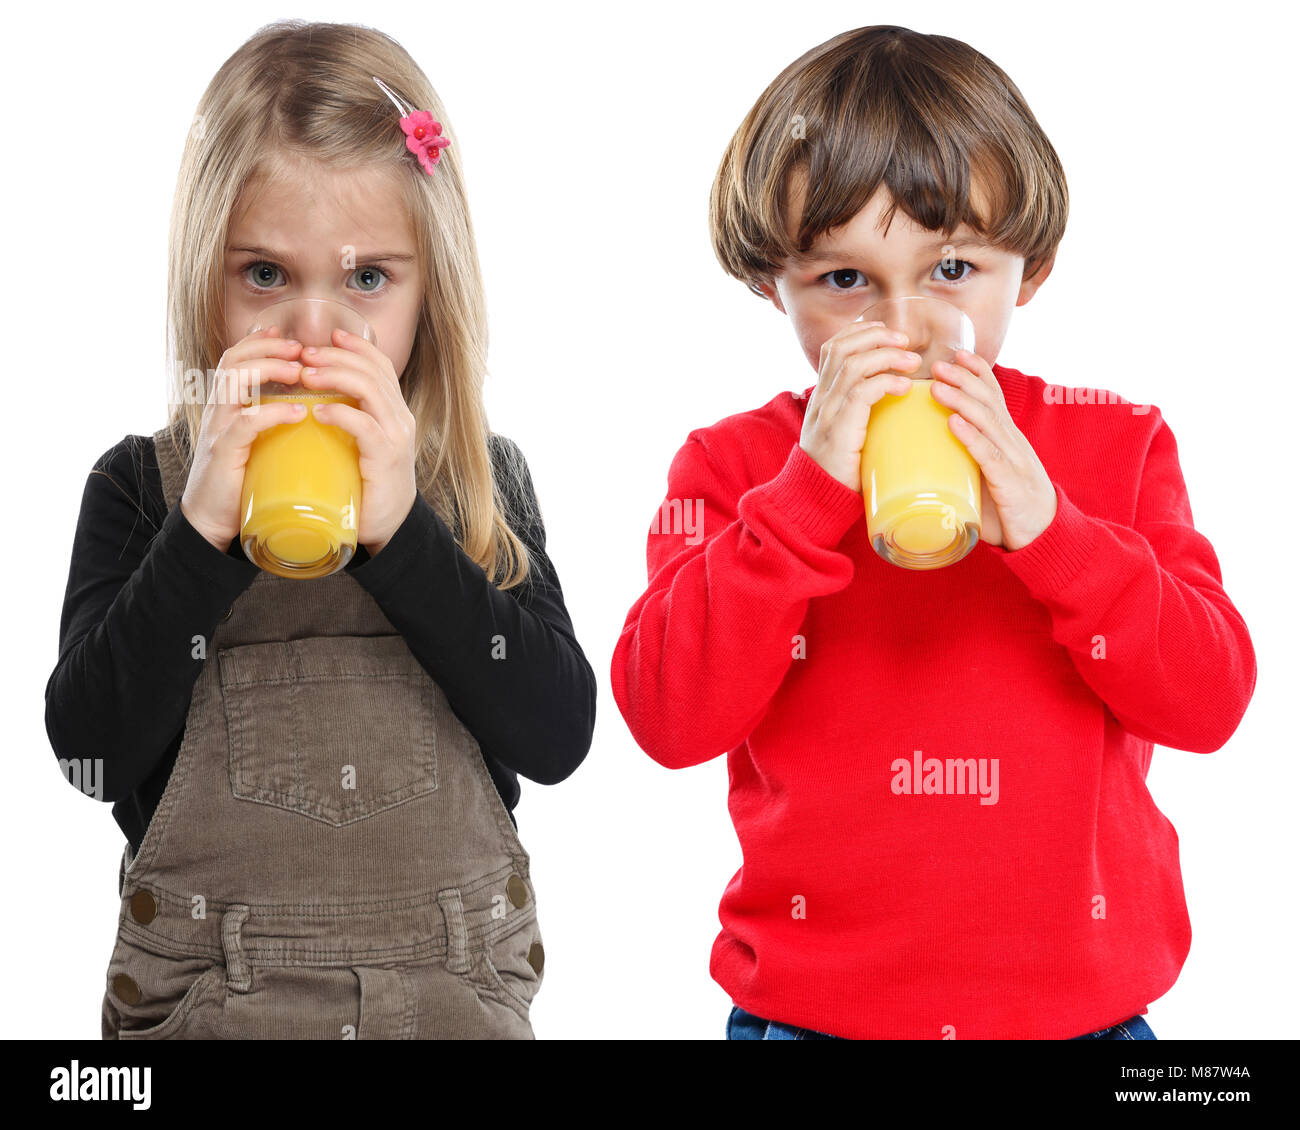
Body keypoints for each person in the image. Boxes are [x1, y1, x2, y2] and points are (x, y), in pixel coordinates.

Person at [610, 24, 1256, 1040]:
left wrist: (1051, 531)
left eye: (950, 266)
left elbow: (1209, 699)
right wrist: (808, 494)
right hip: (811, 1017)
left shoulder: (1113, 444)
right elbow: (666, 715)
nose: (903, 327)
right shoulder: (734, 469)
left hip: (1081, 1020)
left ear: (1027, 268)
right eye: (843, 282)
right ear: (769, 282)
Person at [47, 19, 595, 1040]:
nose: (312, 334)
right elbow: (89, 752)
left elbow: (556, 735)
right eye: (264, 276)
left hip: (453, 998)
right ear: (202, 276)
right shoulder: (140, 487)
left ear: (432, 291)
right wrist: (202, 529)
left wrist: (406, 532)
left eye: (367, 280)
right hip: (212, 1000)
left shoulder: (480, 484)